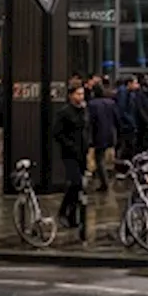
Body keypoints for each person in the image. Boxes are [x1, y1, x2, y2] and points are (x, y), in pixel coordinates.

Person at [52, 85, 90, 230]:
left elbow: (86, 127)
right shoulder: (65, 112)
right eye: (78, 94)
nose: (81, 97)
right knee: (75, 182)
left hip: (82, 152)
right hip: (70, 153)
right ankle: (63, 211)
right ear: (71, 95)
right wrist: (69, 145)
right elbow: (57, 133)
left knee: (79, 186)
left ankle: (73, 215)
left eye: (82, 94)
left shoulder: (84, 110)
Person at [86, 83, 119, 192]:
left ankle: (104, 182)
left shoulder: (92, 104)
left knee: (98, 158)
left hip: (98, 134)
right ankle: (105, 177)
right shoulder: (111, 103)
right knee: (103, 157)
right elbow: (117, 118)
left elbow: (90, 121)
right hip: (110, 133)